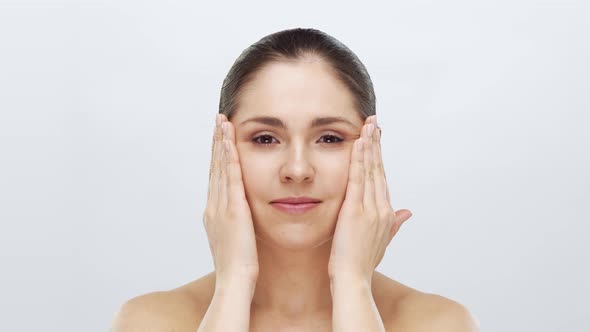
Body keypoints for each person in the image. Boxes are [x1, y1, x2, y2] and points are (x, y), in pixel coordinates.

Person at [111, 27, 479, 331]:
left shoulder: (438, 323)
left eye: (330, 138)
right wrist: (234, 282)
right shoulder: (150, 321)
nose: (298, 169)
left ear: (371, 151)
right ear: (222, 149)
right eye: (265, 139)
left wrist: (352, 283)